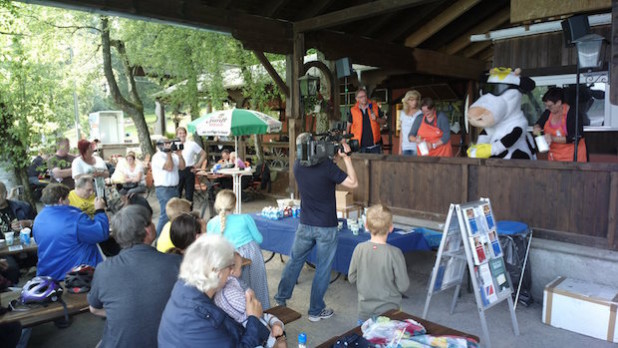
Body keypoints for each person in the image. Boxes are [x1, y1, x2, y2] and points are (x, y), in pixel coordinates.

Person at [274, 133, 358, 322]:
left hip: (305, 224)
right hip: (326, 226)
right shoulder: (326, 167)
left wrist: (333, 155)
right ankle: (315, 310)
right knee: (323, 268)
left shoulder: (297, 165)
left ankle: (280, 299)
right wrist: (347, 158)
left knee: (295, 261)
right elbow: (353, 183)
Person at [88, 205, 182, 348]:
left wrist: (127, 316)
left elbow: (94, 309)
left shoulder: (104, 269)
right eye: (151, 221)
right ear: (147, 230)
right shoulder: (176, 263)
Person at [158, 234, 271, 347]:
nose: (232, 271)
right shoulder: (201, 317)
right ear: (217, 272)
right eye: (230, 266)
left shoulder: (183, 286)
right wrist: (254, 319)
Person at [207, 189, 270, 309]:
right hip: (250, 254)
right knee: (256, 284)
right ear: (234, 205)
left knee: (233, 287)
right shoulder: (245, 218)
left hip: (227, 259)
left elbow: (212, 246)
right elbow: (259, 239)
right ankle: (262, 310)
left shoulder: (211, 223)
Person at [347, 204, 409, 321]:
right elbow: (403, 286)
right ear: (391, 228)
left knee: (364, 338)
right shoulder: (395, 253)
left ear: (366, 225)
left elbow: (351, 278)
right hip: (390, 312)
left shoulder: (359, 248)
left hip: (364, 311)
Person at [34, 183, 109, 280]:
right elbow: (101, 233)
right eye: (67, 199)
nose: (69, 202)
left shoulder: (38, 219)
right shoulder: (75, 219)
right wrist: (99, 210)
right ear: (61, 200)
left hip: (47, 274)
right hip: (76, 275)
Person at [215, 252, 286, 348]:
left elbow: (264, 317)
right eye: (240, 268)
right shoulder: (228, 296)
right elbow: (257, 316)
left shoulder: (232, 283)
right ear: (231, 272)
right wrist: (280, 340)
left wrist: (277, 325)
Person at [533, 87, 588, 162]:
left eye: (550, 106)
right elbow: (538, 124)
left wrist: (553, 138)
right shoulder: (548, 112)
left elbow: (575, 137)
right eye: (546, 105)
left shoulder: (573, 114)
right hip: (554, 157)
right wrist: (536, 128)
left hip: (573, 158)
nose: (547, 108)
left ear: (559, 102)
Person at [0, 182, 36, 284]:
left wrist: (28, 223)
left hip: (27, 245)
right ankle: (12, 290)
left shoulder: (23, 207)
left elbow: (40, 223)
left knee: (45, 254)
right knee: (10, 267)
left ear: (6, 194)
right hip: (3, 251)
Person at [151, 138, 185, 235]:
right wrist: (169, 154)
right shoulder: (157, 157)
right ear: (160, 145)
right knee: (166, 214)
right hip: (164, 189)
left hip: (174, 188)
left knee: (175, 213)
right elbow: (169, 167)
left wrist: (180, 155)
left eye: (169, 143)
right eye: (166, 144)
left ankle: (171, 235)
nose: (169, 145)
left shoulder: (173, 155)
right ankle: (158, 238)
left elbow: (182, 167)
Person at [347, 88, 387, 153]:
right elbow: (348, 126)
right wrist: (345, 140)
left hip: (374, 146)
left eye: (365, 96)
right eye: (361, 97)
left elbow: (384, 121)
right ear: (357, 99)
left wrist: (376, 119)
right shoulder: (353, 110)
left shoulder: (375, 107)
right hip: (359, 147)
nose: (364, 98)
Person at [176, 127, 206, 204]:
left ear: (186, 134)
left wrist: (198, 164)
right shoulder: (174, 145)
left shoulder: (192, 144)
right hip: (177, 170)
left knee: (189, 195)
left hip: (189, 169)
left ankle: (189, 213)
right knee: (177, 194)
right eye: (180, 133)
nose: (182, 135)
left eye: (183, 133)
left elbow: (203, 154)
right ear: (177, 135)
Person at [399, 90, 422, 156]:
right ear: (407, 101)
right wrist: (400, 149)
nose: (414, 102)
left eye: (416, 100)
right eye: (411, 100)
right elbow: (401, 132)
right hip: (405, 147)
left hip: (417, 146)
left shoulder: (420, 113)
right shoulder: (403, 113)